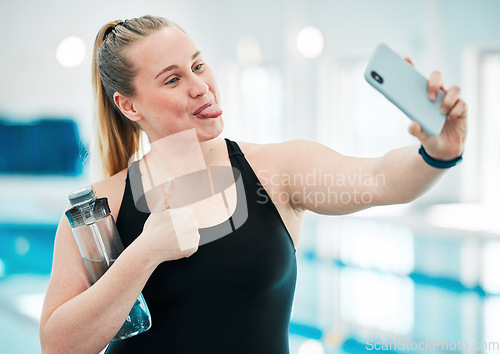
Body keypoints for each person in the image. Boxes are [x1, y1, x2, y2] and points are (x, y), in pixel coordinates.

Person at [39, 15, 467, 354]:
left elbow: (380, 180)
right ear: (128, 105)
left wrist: (437, 153)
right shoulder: (101, 207)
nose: (200, 86)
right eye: (172, 79)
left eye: (198, 65)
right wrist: (145, 253)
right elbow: (57, 346)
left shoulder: (275, 171)